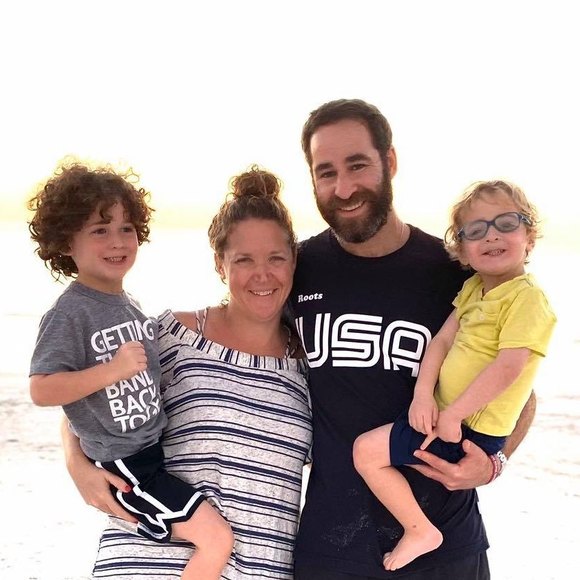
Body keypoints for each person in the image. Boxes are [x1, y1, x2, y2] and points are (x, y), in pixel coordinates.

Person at [290, 99, 537, 579]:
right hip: (331, 550)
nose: (344, 188)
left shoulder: (458, 275)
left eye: (357, 165)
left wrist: (494, 463)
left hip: (447, 548)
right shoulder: (297, 271)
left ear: (390, 161)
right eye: (326, 172)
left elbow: (521, 392)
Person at [61, 165, 312, 579]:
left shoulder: (309, 362)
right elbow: (89, 395)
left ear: (293, 261)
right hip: (147, 564)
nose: (262, 274)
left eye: (276, 258)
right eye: (244, 259)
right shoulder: (172, 335)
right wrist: (76, 463)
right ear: (219, 264)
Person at [28, 163, 235, 580]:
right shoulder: (70, 313)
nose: (118, 241)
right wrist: (111, 371)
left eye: (126, 228)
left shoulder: (132, 307)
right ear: (66, 241)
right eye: (100, 230)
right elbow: (42, 389)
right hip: (127, 466)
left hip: (152, 456)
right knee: (216, 540)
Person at [352, 180, 556, 571]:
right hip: (447, 417)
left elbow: (510, 368)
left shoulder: (527, 299)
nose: (491, 235)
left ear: (529, 237)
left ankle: (420, 531)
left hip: (469, 431)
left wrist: (453, 415)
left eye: (506, 223)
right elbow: (441, 342)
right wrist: (423, 395)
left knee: (366, 452)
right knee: (374, 451)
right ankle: (419, 528)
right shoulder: (474, 289)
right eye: (476, 230)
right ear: (462, 249)